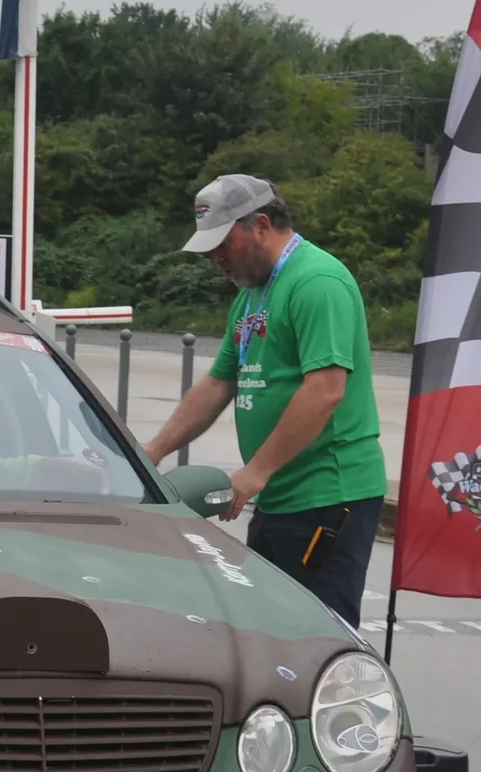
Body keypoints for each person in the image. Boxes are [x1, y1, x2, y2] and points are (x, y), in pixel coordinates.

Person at [144, 174, 384, 627]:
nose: (215, 258)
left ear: (259, 225)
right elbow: (219, 384)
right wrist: (150, 453)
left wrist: (255, 472)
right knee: (270, 631)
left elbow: (326, 390)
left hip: (328, 498)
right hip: (278, 497)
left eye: (222, 244)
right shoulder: (252, 296)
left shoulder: (317, 282)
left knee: (319, 636)